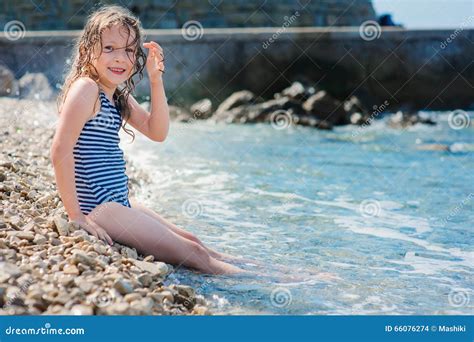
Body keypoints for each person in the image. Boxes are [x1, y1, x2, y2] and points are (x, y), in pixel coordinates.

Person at [50, 5, 243, 275]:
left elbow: (157, 132)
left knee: (194, 241)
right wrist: (76, 216)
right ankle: (284, 283)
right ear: (87, 51)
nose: (120, 58)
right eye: (109, 48)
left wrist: (155, 79)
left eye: (129, 50)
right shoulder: (87, 88)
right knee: (195, 255)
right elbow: (60, 149)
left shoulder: (116, 96)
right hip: (100, 208)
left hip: (117, 200)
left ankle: (278, 273)